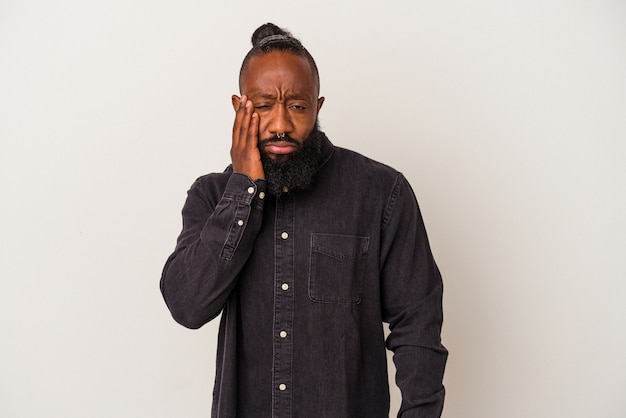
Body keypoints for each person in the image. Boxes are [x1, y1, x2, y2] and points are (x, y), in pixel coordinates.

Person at [160, 23, 447, 418]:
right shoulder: (211, 196)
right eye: (263, 106)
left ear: (318, 105)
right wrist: (244, 189)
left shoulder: (381, 192)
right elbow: (187, 306)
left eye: (297, 106)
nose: (280, 124)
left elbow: (418, 323)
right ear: (239, 106)